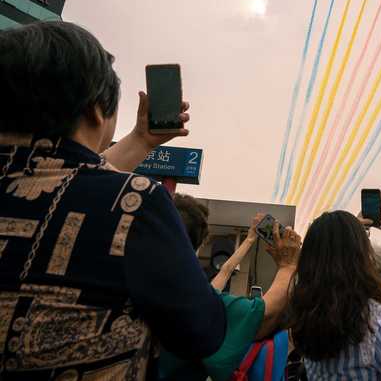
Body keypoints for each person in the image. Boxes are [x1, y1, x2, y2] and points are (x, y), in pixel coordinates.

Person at [0, 21, 222, 379]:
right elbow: (203, 331)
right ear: (95, 109)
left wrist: (139, 140)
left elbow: (57, 178)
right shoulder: (135, 203)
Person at [163, 194, 301, 381]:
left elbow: (225, 272)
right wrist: (288, 266)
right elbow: (266, 312)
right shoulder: (197, 304)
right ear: (195, 247)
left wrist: (250, 239)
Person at [289, 210, 381, 380]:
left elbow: (327, 252)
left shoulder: (306, 314)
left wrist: (351, 230)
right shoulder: (375, 320)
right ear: (360, 258)